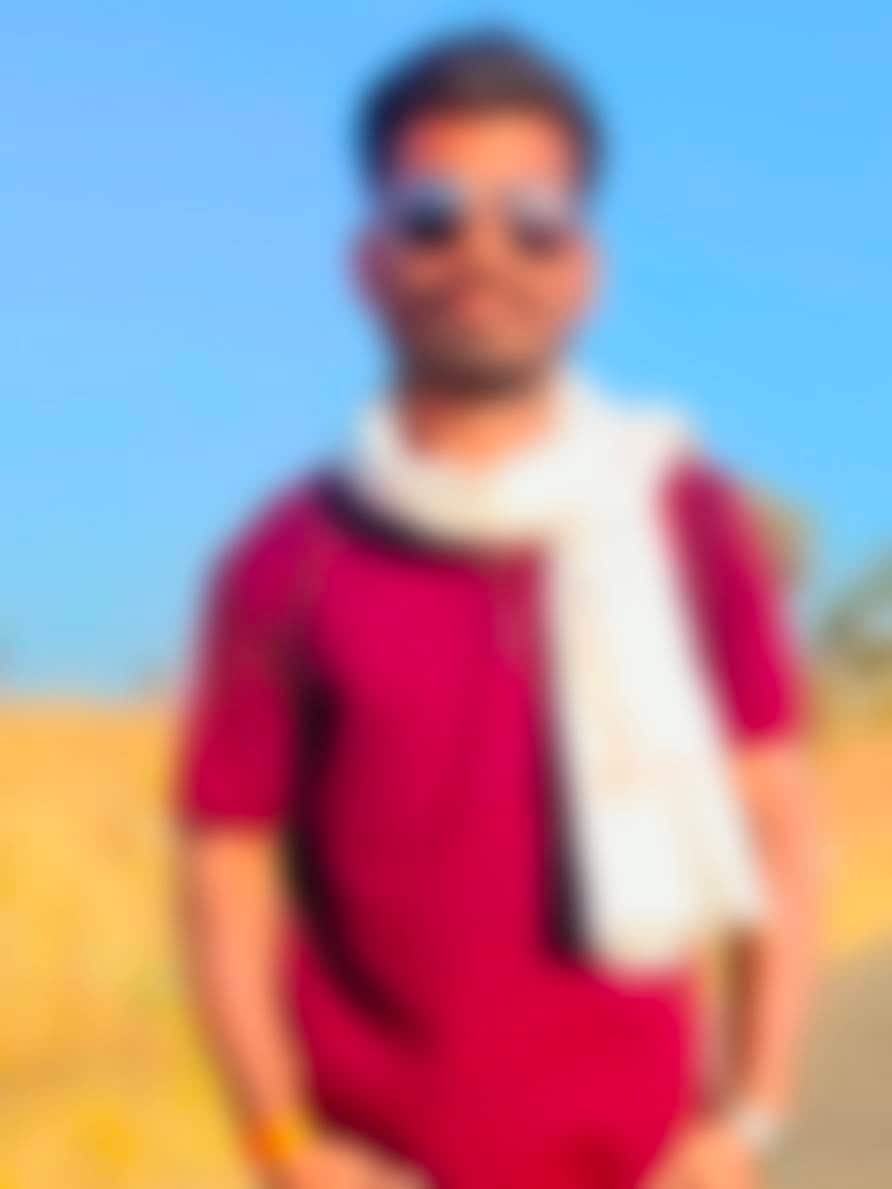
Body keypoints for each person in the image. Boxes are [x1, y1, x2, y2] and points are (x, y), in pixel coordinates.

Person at [177, 30, 820, 1189]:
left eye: (532, 218)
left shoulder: (681, 516)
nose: (482, 253)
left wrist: (749, 1121)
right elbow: (225, 864)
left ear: (584, 266)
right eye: (432, 215)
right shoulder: (290, 559)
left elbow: (776, 820)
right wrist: (282, 1141)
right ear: (370, 260)